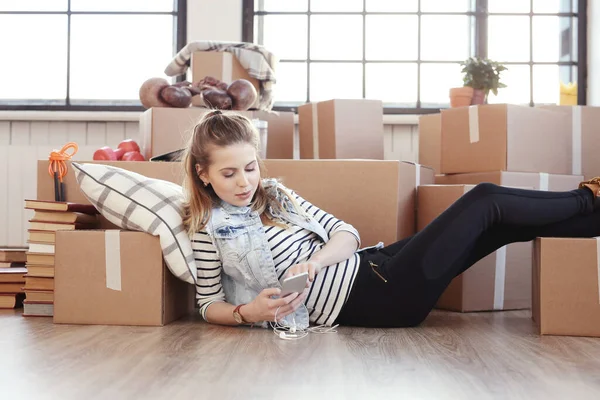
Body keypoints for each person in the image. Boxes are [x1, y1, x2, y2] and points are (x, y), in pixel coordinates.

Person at [182, 110, 600, 329]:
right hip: (380, 297)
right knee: (486, 200)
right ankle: (589, 197)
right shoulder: (207, 229)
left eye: (250, 167)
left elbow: (344, 233)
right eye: (229, 173)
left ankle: (590, 219)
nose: (244, 182)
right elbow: (207, 305)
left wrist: (314, 263)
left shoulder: (275, 194)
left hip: (375, 265)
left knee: (500, 226)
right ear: (203, 173)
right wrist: (248, 312)